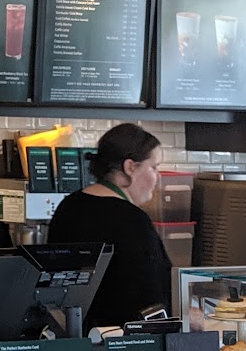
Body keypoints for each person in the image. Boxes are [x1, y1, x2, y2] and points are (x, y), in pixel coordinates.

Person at [44, 123, 173, 331]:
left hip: (72, 336)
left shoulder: (69, 206)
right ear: (130, 167)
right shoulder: (132, 220)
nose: (158, 177)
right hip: (120, 340)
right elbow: (153, 297)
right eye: (154, 167)